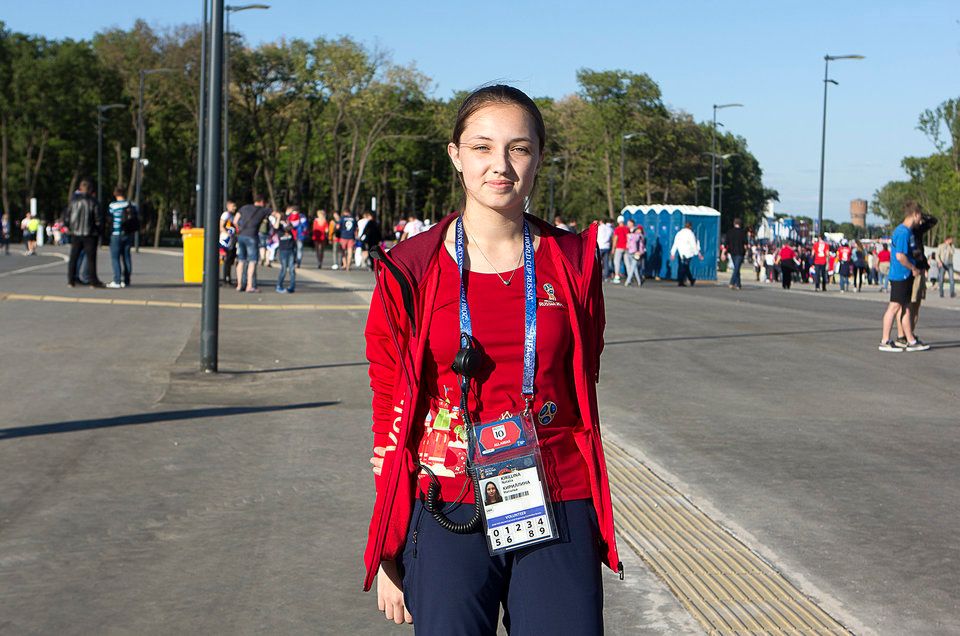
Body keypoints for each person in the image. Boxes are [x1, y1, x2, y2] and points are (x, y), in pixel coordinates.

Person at [364, 85, 620, 634]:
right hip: (445, 499)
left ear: (539, 159)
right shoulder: (410, 268)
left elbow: (583, 375)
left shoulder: (571, 263)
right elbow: (389, 400)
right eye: (482, 147)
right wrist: (390, 544)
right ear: (455, 155)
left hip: (556, 491)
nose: (500, 165)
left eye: (519, 148)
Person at [879, 201, 930, 352]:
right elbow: (900, 256)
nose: (920, 220)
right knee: (894, 307)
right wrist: (913, 268)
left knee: (906, 308)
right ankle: (885, 340)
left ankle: (910, 340)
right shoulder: (902, 232)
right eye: (920, 216)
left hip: (905, 275)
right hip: (900, 275)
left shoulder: (906, 231)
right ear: (915, 214)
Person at [66, 179, 104, 288]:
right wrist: (99, 231)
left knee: (73, 257)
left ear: (80, 189)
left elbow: (67, 217)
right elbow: (98, 219)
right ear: (90, 189)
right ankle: (93, 281)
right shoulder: (93, 202)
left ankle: (71, 280)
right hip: (90, 234)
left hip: (76, 233)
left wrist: (71, 228)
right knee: (91, 259)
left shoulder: (73, 202)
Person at [234, 194, 271, 293]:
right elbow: (275, 214)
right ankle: (249, 285)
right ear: (262, 202)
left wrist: (239, 229)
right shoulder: (263, 210)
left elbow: (235, 220)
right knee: (252, 261)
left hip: (241, 235)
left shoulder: (244, 208)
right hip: (252, 236)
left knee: (241, 260)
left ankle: (239, 285)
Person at [106, 187, 138, 288]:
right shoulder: (132, 205)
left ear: (115, 194)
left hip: (116, 234)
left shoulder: (113, 206)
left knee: (115, 258)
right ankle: (127, 280)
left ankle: (117, 280)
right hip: (128, 234)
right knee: (126, 257)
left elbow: (109, 219)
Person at [670, 221, 703, 287]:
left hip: (681, 253)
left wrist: (672, 253)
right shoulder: (690, 234)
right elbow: (693, 244)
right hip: (688, 253)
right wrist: (698, 253)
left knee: (682, 267)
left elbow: (675, 243)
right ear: (690, 226)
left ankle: (684, 280)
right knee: (685, 267)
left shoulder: (679, 233)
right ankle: (686, 280)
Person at [274, 210, 296, 293]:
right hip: (283, 249)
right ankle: (279, 286)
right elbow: (276, 227)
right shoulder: (278, 225)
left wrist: (287, 220)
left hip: (291, 248)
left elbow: (291, 227)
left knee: (292, 269)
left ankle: (292, 286)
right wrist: (279, 218)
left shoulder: (288, 223)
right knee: (283, 269)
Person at [725, 217, 747, 290]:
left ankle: (738, 284)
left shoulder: (730, 232)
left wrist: (723, 253)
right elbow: (745, 244)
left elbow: (726, 243)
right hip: (740, 252)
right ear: (740, 224)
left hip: (732, 252)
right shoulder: (743, 232)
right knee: (736, 268)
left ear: (734, 223)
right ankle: (732, 282)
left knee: (736, 268)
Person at [219, 200, 238, 285]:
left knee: (230, 259)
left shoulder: (232, 216)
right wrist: (227, 233)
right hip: (225, 239)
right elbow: (221, 226)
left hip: (231, 240)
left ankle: (227, 277)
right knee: (224, 258)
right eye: (233, 206)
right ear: (228, 206)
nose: (235, 208)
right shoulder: (226, 215)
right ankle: (226, 278)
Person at [624, 221, 645, 287]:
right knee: (634, 268)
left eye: (639, 230)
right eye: (637, 230)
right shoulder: (632, 236)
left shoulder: (640, 236)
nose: (638, 231)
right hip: (629, 252)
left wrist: (640, 253)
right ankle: (639, 281)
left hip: (636, 253)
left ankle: (627, 281)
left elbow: (641, 246)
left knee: (632, 268)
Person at [611, 215, 629, 283]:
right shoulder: (627, 228)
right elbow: (628, 238)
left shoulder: (617, 229)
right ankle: (629, 276)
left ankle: (616, 276)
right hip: (626, 248)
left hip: (619, 247)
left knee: (616, 262)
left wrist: (613, 248)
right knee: (627, 262)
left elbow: (615, 239)